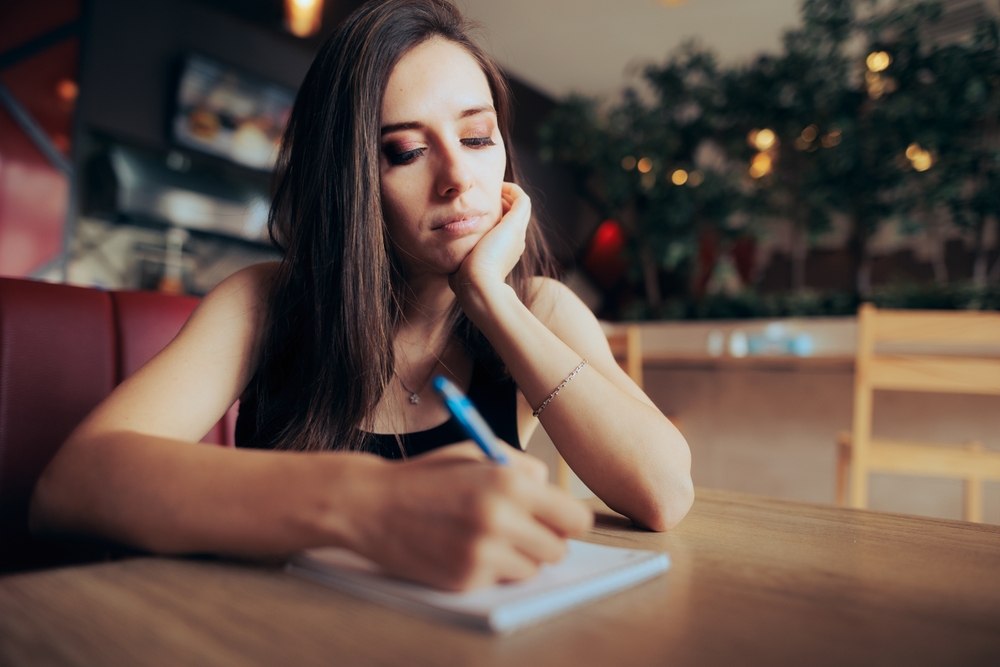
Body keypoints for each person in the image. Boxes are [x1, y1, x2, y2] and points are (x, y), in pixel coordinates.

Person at [29, 0, 693, 591]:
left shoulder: (537, 308)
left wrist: (491, 299)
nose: (459, 177)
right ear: (349, 183)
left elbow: (664, 493)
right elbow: (72, 484)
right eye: (404, 151)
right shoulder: (266, 303)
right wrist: (368, 503)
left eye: (476, 136)